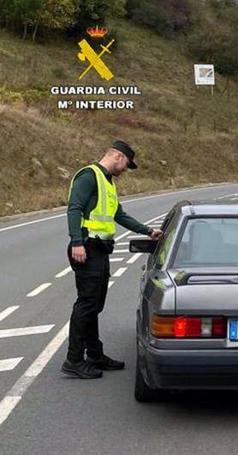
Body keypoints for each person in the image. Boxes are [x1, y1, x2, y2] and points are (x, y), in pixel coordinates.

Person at [62, 140, 162, 379]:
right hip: (86, 247)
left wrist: (147, 231)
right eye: (127, 164)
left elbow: (118, 214)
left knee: (94, 306)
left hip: (100, 249)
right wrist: (77, 241)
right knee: (86, 304)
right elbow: (74, 208)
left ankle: (95, 354)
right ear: (118, 156)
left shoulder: (107, 182)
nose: (126, 169)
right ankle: (74, 359)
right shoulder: (89, 175)